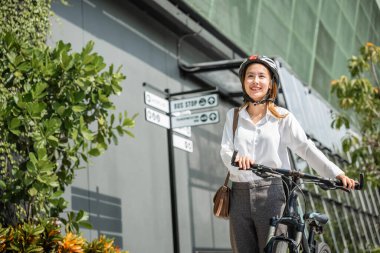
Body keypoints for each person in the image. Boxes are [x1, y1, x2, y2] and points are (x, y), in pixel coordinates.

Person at [220, 55, 356, 253]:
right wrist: (236, 158)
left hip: (272, 193)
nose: (255, 81)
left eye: (261, 76)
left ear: (270, 83)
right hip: (239, 193)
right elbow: (225, 150)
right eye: (250, 76)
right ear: (243, 82)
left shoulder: (282, 117)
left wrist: (336, 173)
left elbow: (306, 148)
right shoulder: (233, 116)